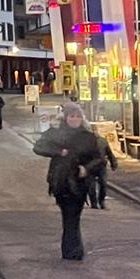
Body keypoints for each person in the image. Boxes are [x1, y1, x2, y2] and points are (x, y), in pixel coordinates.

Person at [32, 104, 105, 263]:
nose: (75, 119)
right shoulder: (56, 133)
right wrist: (59, 152)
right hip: (61, 181)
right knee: (70, 215)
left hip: (80, 182)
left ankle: (72, 251)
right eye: (72, 116)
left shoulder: (88, 136)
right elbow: (38, 147)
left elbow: (99, 159)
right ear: (65, 118)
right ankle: (73, 251)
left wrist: (86, 168)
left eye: (78, 116)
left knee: (73, 216)